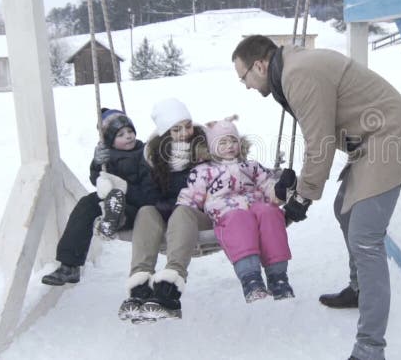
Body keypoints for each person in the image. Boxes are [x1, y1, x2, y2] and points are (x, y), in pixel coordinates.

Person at [232, 36, 401, 360]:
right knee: (344, 210)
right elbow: (318, 132)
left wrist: (300, 200)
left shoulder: (297, 73)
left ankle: (370, 348)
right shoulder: (292, 69)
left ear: (259, 64)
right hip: (372, 141)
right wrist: (298, 186)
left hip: (389, 139)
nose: (246, 86)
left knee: (366, 239)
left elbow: (321, 143)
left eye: (244, 77)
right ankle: (359, 290)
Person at [177, 116, 297, 303]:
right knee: (240, 220)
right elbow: (191, 197)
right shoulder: (203, 171)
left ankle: (278, 277)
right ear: (211, 147)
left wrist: (280, 190)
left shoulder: (251, 166)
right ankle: (251, 279)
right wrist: (179, 218)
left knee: (271, 213)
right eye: (222, 142)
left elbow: (268, 186)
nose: (229, 145)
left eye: (233, 140)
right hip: (226, 212)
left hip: (256, 206)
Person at [118, 98, 213, 322]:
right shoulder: (153, 156)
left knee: (182, 210)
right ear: (164, 133)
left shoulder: (206, 147)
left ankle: (169, 289)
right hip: (168, 216)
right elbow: (149, 193)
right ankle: (140, 287)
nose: (185, 133)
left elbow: (215, 185)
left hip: (200, 214)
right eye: (176, 129)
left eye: (188, 125)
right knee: (146, 211)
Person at [42, 108, 157, 286]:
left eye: (130, 131)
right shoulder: (107, 156)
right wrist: (97, 163)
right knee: (87, 203)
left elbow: (149, 193)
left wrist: (124, 188)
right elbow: (99, 180)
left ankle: (114, 219)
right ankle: (69, 266)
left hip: (138, 205)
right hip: (111, 199)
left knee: (117, 201)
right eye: (120, 134)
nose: (128, 136)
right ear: (110, 140)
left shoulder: (144, 154)